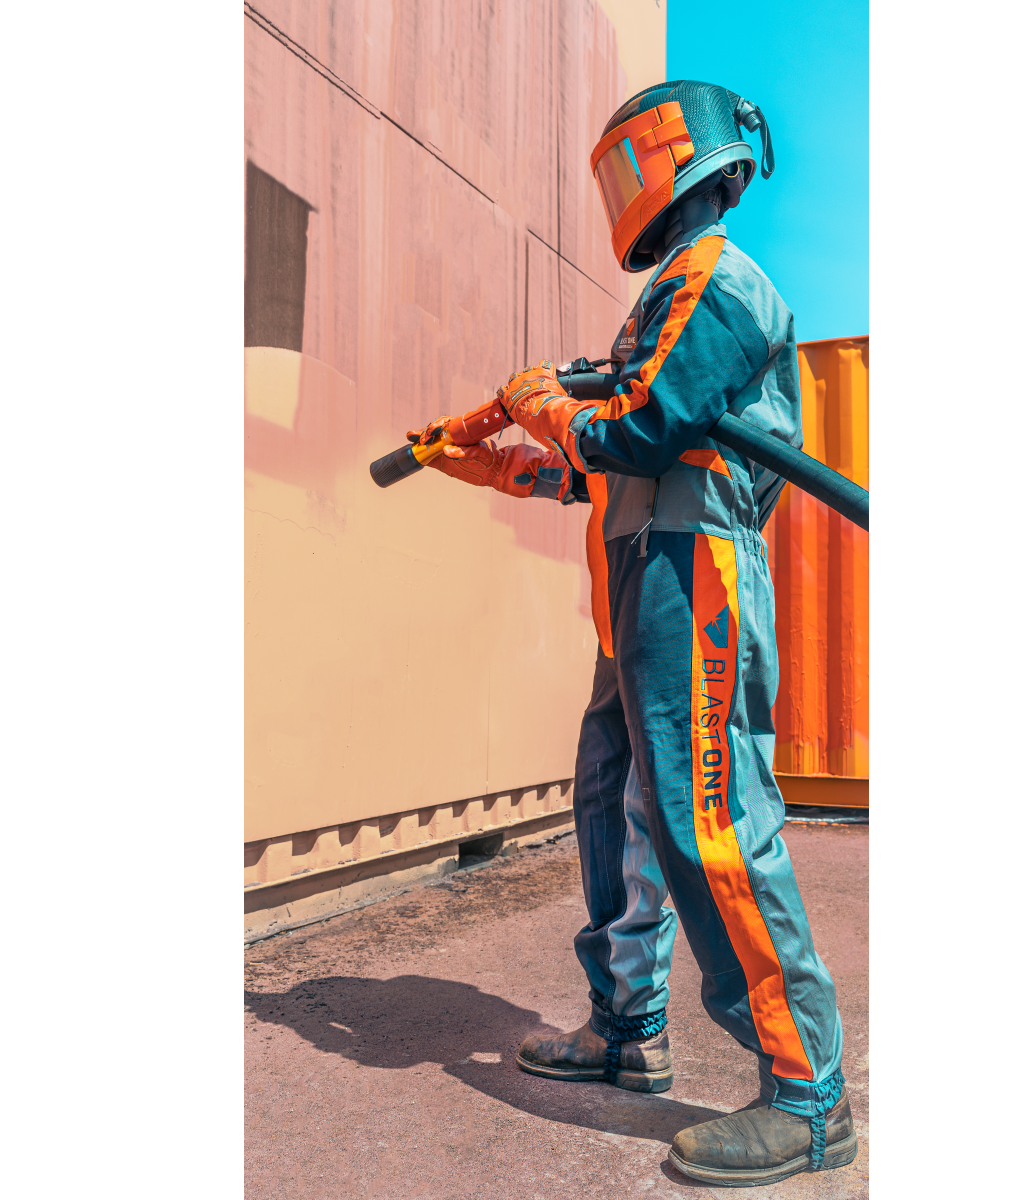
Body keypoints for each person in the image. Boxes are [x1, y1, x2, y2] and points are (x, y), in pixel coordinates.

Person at [407, 80, 856, 1188]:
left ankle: (807, 1095)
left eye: (626, 165)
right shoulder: (661, 298)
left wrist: (545, 403)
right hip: (638, 580)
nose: (621, 193)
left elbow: (642, 430)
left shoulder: (717, 277)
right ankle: (627, 1028)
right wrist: (493, 460)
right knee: (613, 808)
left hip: (692, 577)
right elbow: (598, 464)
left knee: (713, 825)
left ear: (676, 152)